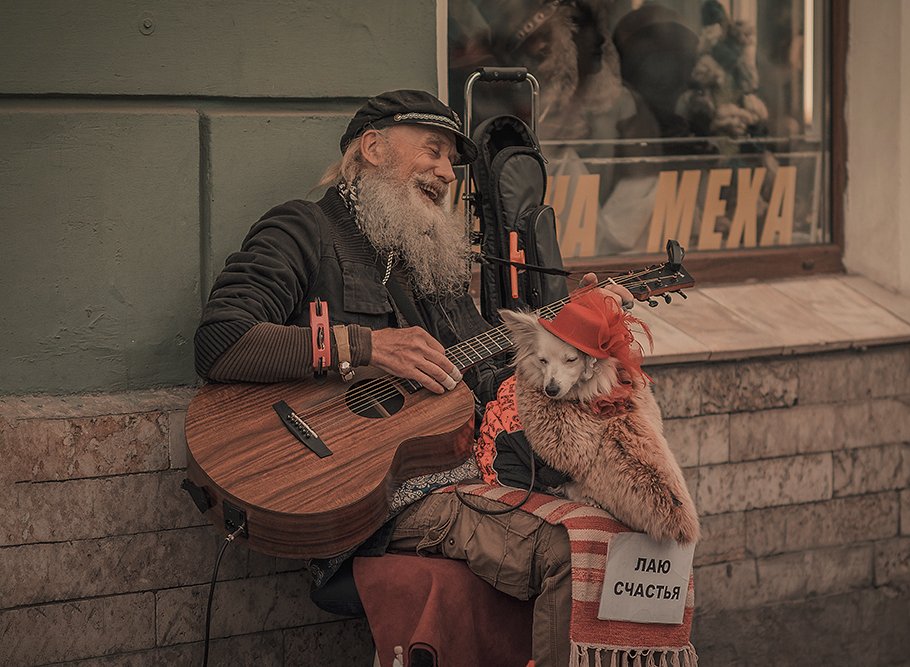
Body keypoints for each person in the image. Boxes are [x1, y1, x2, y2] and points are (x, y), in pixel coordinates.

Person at [193, 89, 631, 667]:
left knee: (620, 526)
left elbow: (499, 375)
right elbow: (220, 341)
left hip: (469, 475)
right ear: (372, 148)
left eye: (451, 162)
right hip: (365, 499)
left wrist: (573, 332)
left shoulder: (431, 262)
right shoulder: (302, 230)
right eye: (433, 151)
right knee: (576, 552)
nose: (447, 173)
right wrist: (364, 346)